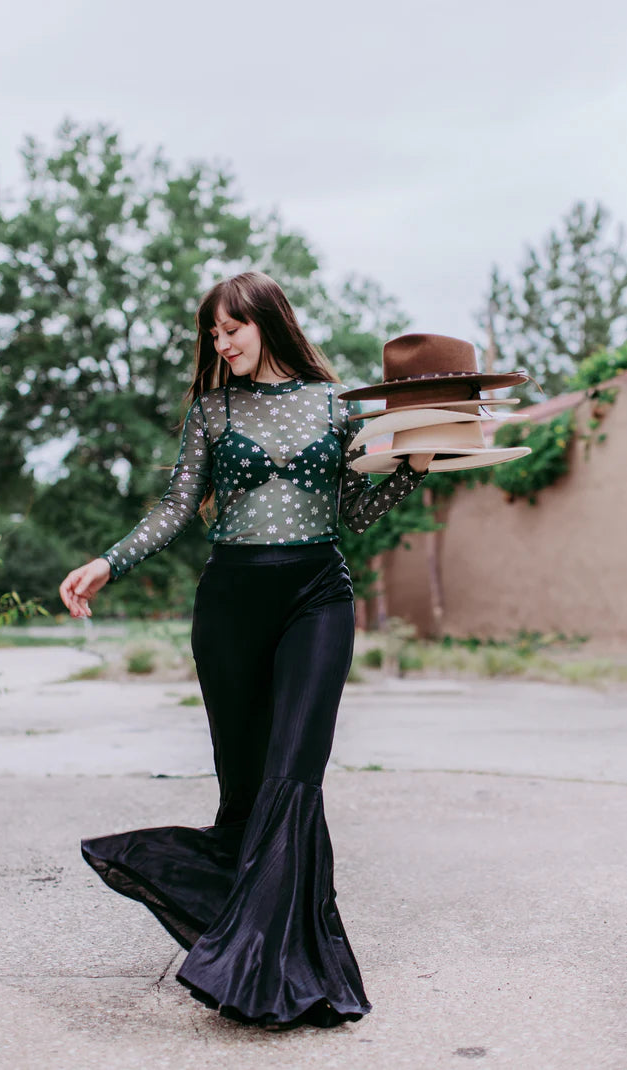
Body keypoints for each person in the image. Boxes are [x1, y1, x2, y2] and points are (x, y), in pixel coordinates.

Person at [59, 271, 431, 1029]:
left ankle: (279, 971)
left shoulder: (336, 404)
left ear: (268, 321)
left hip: (317, 597)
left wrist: (412, 469)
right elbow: (177, 506)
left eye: (231, 329)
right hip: (230, 605)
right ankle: (252, 948)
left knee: (294, 776)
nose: (221, 343)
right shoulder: (213, 409)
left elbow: (355, 511)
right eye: (213, 334)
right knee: (246, 790)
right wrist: (109, 561)